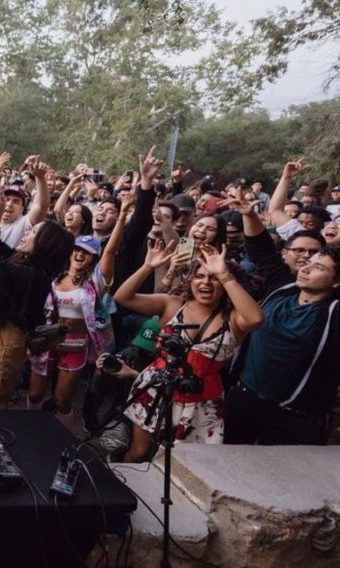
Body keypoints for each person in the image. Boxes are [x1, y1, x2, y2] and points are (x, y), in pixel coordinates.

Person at [114, 239, 263, 461]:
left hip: (203, 400)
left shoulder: (233, 319)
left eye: (213, 278)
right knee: (139, 451)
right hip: (156, 387)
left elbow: (256, 319)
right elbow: (122, 297)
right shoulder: (173, 304)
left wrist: (224, 274)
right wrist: (148, 266)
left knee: (188, 461)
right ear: (189, 280)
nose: (206, 282)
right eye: (199, 276)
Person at [224, 196, 340, 445]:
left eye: (319, 267)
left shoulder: (334, 314)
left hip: (294, 420)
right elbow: (262, 250)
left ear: (336, 282)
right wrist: (249, 214)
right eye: (307, 262)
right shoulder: (282, 288)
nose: (307, 267)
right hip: (242, 400)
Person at [29, 196, 130, 429]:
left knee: (62, 400)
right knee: (35, 395)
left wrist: (123, 215)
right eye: (76, 249)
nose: (79, 254)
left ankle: (59, 441)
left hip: (76, 346)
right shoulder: (55, 274)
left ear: (93, 258)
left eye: (86, 252)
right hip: (47, 341)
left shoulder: (96, 281)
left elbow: (111, 251)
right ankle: (29, 431)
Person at [0, 186, 74, 410]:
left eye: (33, 233)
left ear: (44, 243)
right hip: (4, 335)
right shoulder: (28, 266)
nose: (26, 234)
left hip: (8, 338)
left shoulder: (30, 275)